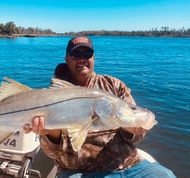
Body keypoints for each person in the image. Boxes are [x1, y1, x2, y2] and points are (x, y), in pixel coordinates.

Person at [25, 36, 176, 177]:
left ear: (94, 58)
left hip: (130, 165)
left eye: (87, 54)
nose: (82, 59)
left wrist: (133, 130)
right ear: (67, 59)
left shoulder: (114, 86)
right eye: (76, 55)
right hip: (79, 171)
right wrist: (51, 134)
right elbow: (53, 153)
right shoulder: (55, 96)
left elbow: (136, 136)